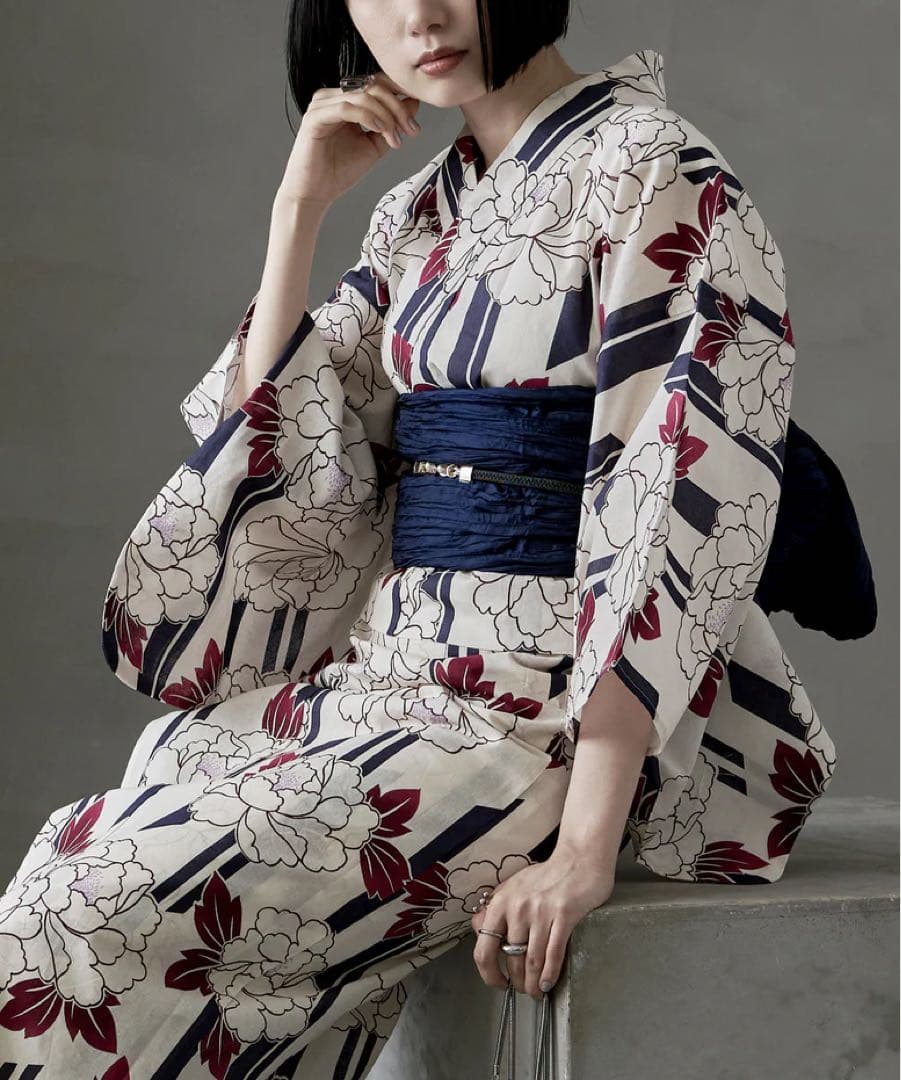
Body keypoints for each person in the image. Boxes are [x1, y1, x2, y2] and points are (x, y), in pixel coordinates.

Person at [0, 1, 843, 1076]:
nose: (420, 14)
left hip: (539, 711)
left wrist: (583, 850)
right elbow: (290, 442)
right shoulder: (420, 207)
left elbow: (671, 505)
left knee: (83, 905)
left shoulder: (658, 169)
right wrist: (299, 209)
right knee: (93, 831)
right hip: (393, 675)